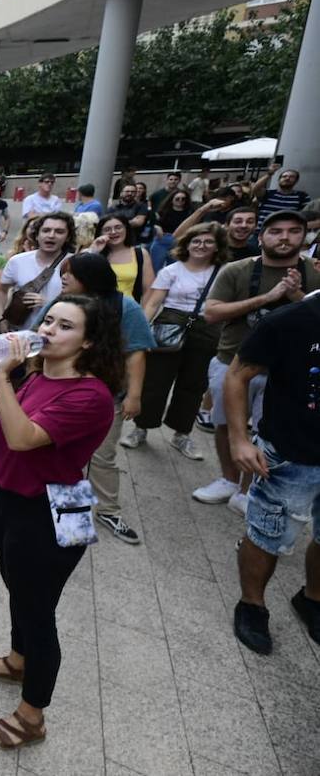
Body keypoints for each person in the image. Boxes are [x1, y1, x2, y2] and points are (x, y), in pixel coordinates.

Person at [0, 296, 120, 749]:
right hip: (11, 497)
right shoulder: (40, 375)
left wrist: (0, 377)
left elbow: (25, 436)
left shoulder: (90, 395)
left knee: (38, 612)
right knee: (21, 591)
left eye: (64, 326)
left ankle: (32, 717)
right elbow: (16, 428)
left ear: (88, 341)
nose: (48, 330)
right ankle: (17, 661)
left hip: (52, 509)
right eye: (48, 319)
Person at [196, 210, 319, 513]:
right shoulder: (236, 270)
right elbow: (211, 313)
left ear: (304, 238)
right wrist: (266, 298)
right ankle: (228, 478)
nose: (285, 237)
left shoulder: (314, 273)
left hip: (288, 372)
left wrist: (296, 295)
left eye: (293, 231)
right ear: (261, 236)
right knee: (225, 423)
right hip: (231, 360)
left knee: (267, 432)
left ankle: (248, 489)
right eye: (276, 231)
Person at [27, 254, 154, 543]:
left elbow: (136, 352)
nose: (63, 279)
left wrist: (134, 395)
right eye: (62, 274)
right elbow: (35, 337)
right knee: (63, 459)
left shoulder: (125, 306)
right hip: (56, 391)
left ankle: (102, 513)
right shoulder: (62, 303)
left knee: (101, 457)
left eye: (70, 274)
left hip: (106, 399)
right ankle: (62, 524)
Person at [225, 290, 320, 655]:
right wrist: (239, 440)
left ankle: (312, 598)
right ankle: (252, 605)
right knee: (268, 536)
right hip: (291, 454)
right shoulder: (291, 320)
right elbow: (237, 374)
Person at [121, 223, 226, 463]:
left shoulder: (223, 271)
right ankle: (141, 428)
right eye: (196, 241)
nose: (201, 246)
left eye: (208, 242)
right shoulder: (172, 270)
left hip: (207, 329)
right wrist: (142, 333)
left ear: (217, 246)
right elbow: (152, 303)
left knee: (193, 385)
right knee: (156, 380)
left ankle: (182, 433)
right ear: (186, 244)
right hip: (170, 325)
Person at [0, 212, 75, 331]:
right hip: (18, 333)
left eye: (59, 231)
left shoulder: (75, 263)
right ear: (37, 235)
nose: (51, 235)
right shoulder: (17, 261)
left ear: (68, 237)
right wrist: (0, 320)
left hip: (57, 335)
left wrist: (48, 304)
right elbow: (1, 291)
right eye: (46, 230)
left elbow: (84, 300)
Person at [89, 213, 154, 301]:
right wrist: (93, 251)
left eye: (118, 227)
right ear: (100, 233)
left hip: (129, 309)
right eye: (107, 229)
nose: (113, 232)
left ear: (126, 229)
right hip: (98, 308)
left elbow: (149, 290)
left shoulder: (140, 253)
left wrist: (142, 313)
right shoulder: (94, 254)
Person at [151, 188, 194, 271]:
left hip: (179, 242)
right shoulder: (163, 211)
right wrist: (156, 226)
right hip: (162, 240)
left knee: (174, 269)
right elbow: (154, 222)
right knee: (155, 268)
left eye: (183, 199)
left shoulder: (189, 213)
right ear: (172, 199)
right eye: (177, 199)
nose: (180, 201)